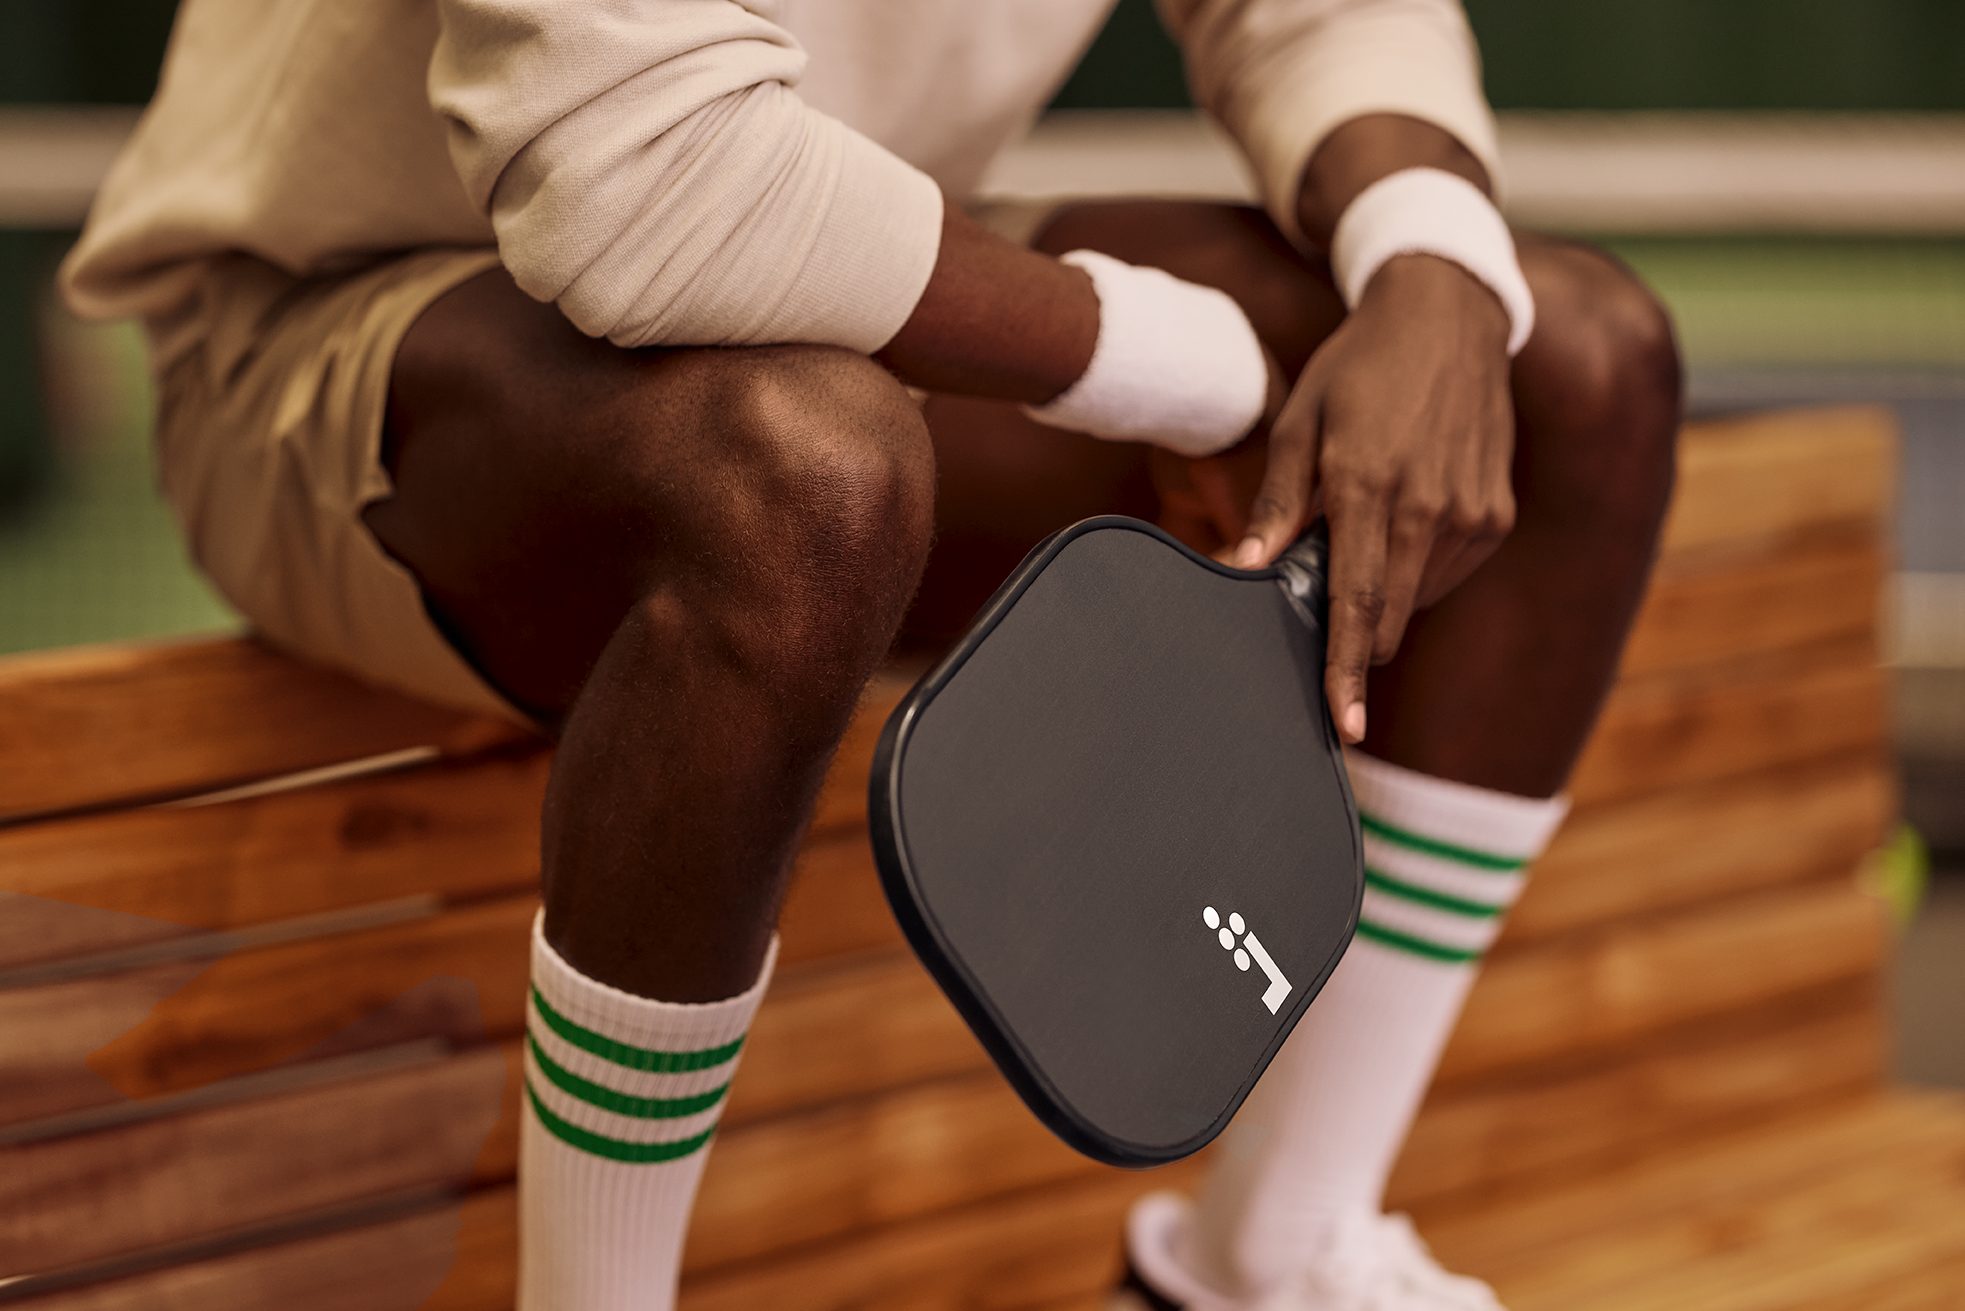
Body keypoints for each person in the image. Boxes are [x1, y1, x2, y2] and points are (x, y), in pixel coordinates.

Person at [62, 0, 1680, 1306]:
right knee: (806, 472)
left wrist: (1430, 275)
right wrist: (1187, 369)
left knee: (1566, 360)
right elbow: (641, 185)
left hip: (819, 267)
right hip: (346, 325)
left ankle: (1267, 1255)